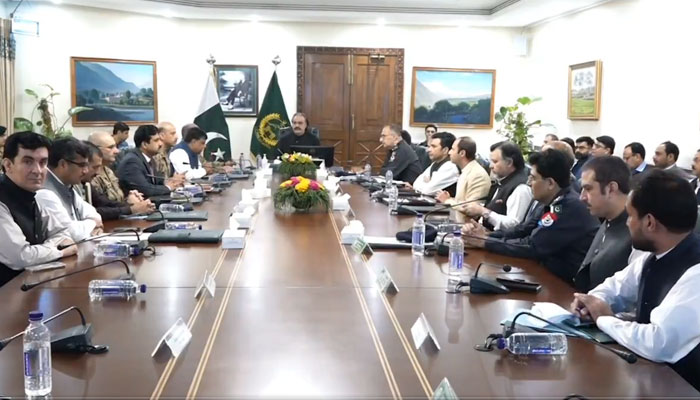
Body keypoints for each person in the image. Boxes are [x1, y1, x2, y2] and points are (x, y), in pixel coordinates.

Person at [570, 170, 700, 390]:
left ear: (649, 223)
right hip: (648, 377)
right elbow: (615, 287)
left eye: (630, 216)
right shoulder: (655, 255)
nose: (627, 223)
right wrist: (591, 301)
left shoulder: (696, 273)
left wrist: (603, 319)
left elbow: (658, 343)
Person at [464, 149, 599, 285]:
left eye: (533, 178)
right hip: (546, 273)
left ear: (550, 183)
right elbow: (522, 230)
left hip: (566, 286)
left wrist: (485, 242)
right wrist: (487, 236)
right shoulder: (553, 202)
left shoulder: (567, 207)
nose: (529, 183)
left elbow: (532, 247)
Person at [0, 132, 76, 287]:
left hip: (28, 287)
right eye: (28, 162)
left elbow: (63, 233)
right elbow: (20, 258)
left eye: (43, 162)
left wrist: (48, 248)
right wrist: (59, 251)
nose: (38, 170)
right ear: (8, 165)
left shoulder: (35, 195)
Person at [575, 156, 632, 291]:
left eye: (588, 189)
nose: (582, 197)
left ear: (611, 189)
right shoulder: (608, 219)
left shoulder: (637, 233)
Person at [36, 138, 103, 241]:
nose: (86, 171)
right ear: (63, 164)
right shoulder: (44, 191)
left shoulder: (67, 184)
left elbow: (93, 213)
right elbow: (69, 233)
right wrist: (93, 223)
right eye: (82, 165)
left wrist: (92, 223)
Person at [465, 141, 532, 231]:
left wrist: (483, 211)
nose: (490, 166)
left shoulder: (521, 188)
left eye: (495, 162)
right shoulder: (502, 182)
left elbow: (514, 224)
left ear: (509, 162)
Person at [82, 142, 154, 220]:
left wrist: (133, 205)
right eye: (110, 147)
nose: (117, 151)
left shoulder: (106, 172)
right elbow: (94, 212)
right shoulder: (80, 182)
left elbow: (104, 202)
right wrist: (131, 209)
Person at [117, 124, 184, 198]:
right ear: (145, 144)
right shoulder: (132, 161)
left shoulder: (150, 158)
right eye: (156, 140)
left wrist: (171, 181)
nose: (160, 144)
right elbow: (145, 189)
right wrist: (168, 187)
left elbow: (158, 181)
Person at [435, 136, 491, 220]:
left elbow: (471, 209)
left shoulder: (477, 175)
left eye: (453, 149)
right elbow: (463, 200)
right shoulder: (467, 170)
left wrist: (447, 201)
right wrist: (450, 198)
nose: (449, 152)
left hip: (468, 228)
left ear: (462, 153)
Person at [409, 131, 459, 196]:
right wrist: (428, 182)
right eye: (429, 146)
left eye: (433, 147)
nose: (428, 150)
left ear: (445, 150)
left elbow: (426, 191)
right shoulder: (435, 163)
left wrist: (428, 182)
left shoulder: (450, 166)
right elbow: (415, 184)